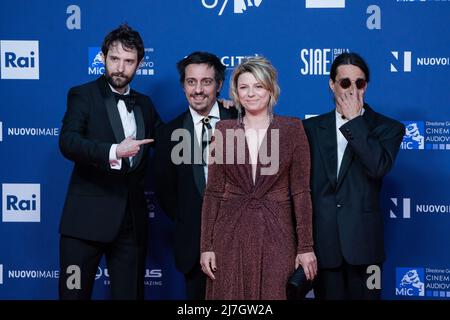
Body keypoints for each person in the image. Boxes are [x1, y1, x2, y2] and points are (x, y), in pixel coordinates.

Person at [199, 56, 317, 300]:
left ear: (271, 89)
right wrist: (206, 246)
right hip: (229, 236)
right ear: (236, 92)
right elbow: (213, 193)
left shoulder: (292, 129)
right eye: (244, 87)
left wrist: (305, 246)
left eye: (258, 86)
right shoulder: (223, 130)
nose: (251, 93)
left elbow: (301, 192)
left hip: (277, 236)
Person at [58, 24, 162, 300]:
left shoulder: (145, 104)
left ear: (139, 64)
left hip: (130, 225)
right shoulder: (82, 95)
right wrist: (114, 151)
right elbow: (68, 142)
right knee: (73, 296)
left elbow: (169, 139)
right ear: (103, 58)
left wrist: (217, 110)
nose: (120, 67)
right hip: (84, 224)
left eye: (129, 61)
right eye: (114, 59)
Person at [302, 52, 405, 300]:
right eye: (345, 83)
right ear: (331, 83)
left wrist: (355, 121)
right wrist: (232, 111)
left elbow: (377, 167)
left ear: (366, 85)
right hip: (324, 249)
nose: (352, 90)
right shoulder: (311, 129)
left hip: (366, 249)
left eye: (359, 83)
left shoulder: (388, 128)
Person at [154, 51, 237, 299]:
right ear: (183, 85)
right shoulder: (168, 133)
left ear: (220, 85)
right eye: (191, 82)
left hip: (240, 242)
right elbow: (165, 193)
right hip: (193, 247)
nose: (198, 90)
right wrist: (191, 221)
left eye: (206, 82)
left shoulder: (241, 122)